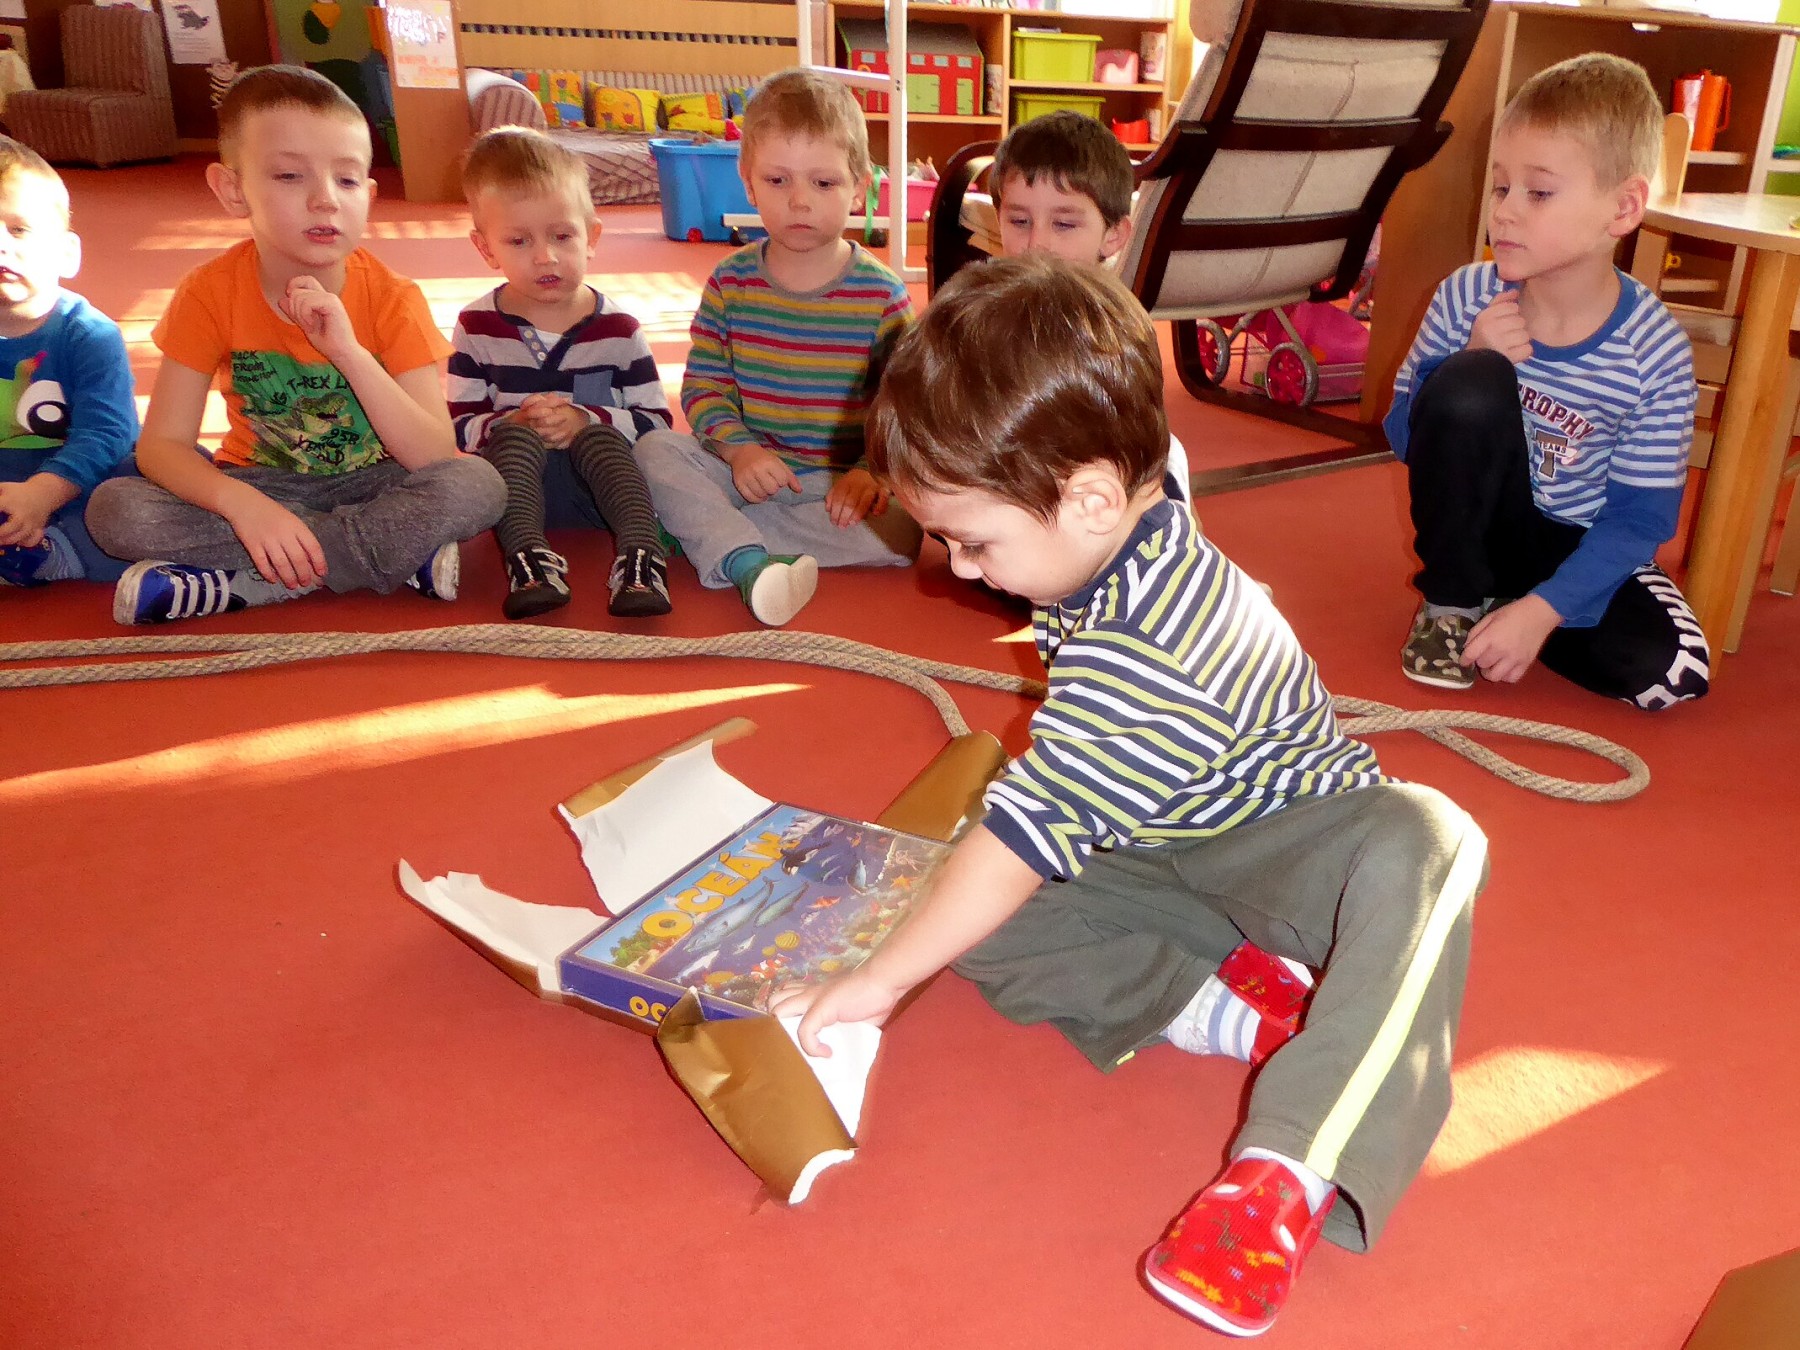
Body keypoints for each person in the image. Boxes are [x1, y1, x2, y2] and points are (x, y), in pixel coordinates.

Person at [770, 255, 1487, 1339]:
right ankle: (1230, 1005)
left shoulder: (1153, 654)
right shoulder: (1122, 497)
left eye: (974, 540)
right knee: (966, 906)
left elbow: (1025, 836)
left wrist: (877, 981)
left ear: (1095, 499)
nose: (957, 568)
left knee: (1429, 842)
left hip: (1290, 848)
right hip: (1155, 841)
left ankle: (1286, 1174)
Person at [86, 65, 503, 624]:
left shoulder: (394, 298)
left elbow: (431, 454)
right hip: (261, 483)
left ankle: (253, 583)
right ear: (232, 190)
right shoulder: (208, 292)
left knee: (477, 484)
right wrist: (246, 508)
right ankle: (389, 558)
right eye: (289, 176)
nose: (325, 200)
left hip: (378, 482)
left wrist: (348, 352)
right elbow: (162, 446)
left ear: (369, 195)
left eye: (347, 180)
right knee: (116, 509)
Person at [1386, 52, 1710, 709]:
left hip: (1572, 541)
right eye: (1500, 187)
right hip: (1478, 525)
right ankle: (1453, 602)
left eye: (1538, 193)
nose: (1504, 212)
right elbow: (1403, 437)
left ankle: (1514, 608)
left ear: (1623, 208)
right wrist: (1464, 361)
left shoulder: (1655, 352)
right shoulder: (1465, 296)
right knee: (1468, 380)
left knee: (1669, 671)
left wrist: (1544, 610)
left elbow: (1640, 518)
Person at [633, 67, 921, 627]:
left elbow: (905, 408)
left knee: (906, 529)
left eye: (824, 183)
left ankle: (715, 537)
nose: (800, 202)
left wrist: (870, 472)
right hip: (746, 472)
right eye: (778, 180)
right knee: (655, 450)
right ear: (748, 184)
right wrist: (739, 450)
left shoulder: (883, 296)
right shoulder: (729, 282)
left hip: (836, 489)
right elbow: (705, 388)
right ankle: (738, 552)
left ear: (860, 186)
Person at [451, 126, 672, 620]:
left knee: (601, 437)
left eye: (562, 236)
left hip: (606, 496)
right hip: (516, 498)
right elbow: (461, 426)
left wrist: (587, 418)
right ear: (486, 249)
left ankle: (641, 557)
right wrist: (510, 423)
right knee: (509, 441)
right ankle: (529, 562)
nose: (545, 256)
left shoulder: (619, 329)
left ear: (591, 237)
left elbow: (656, 421)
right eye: (519, 241)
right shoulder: (476, 327)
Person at [987, 109, 1192, 503]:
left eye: (1064, 224)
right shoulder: (981, 317)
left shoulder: (1120, 327)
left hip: (1094, 491)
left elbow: (1135, 446)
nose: (1037, 244)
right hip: (1009, 489)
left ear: (1113, 235)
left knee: (1170, 459)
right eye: (1019, 221)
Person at [0, 137, 138, 589]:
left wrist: (43, 493)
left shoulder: (90, 334)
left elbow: (106, 434)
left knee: (143, 485)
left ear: (66, 254)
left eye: (19, 230)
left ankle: (58, 552)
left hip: (79, 484)